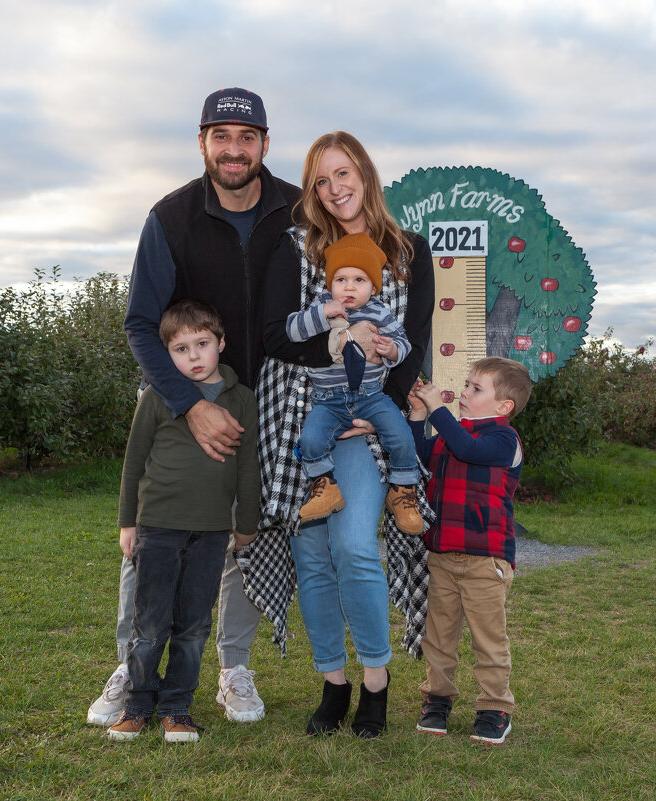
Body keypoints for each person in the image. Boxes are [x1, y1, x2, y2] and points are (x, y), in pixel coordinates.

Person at [88, 87, 306, 727]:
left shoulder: (301, 211)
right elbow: (138, 322)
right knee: (150, 539)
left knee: (248, 534)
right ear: (203, 142)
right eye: (221, 136)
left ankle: (234, 669)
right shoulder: (171, 216)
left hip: (272, 399)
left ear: (266, 143)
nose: (233, 149)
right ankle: (132, 672)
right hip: (180, 395)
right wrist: (189, 402)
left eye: (246, 137)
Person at [256, 131, 435, 737]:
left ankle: (377, 685)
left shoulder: (410, 250)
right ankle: (333, 682)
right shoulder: (296, 247)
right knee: (310, 552)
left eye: (343, 174)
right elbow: (275, 338)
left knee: (355, 546)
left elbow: (413, 340)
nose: (334, 189)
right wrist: (335, 360)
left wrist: (375, 399)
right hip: (302, 414)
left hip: (369, 422)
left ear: (365, 172)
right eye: (321, 180)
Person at [106, 300, 260, 743]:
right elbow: (133, 463)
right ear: (166, 355)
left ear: (221, 343)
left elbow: (248, 466)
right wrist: (127, 523)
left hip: (212, 531)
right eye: (180, 349)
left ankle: (177, 708)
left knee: (192, 626)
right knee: (150, 624)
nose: (193, 357)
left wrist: (245, 523)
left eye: (202, 344)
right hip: (156, 526)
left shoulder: (241, 399)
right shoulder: (158, 396)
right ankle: (137, 705)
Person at [408, 357, 532, 745]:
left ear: (503, 406)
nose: (464, 392)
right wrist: (416, 416)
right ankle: (437, 701)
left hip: (486, 559)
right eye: (466, 384)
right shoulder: (452, 434)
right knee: (438, 636)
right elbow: (418, 457)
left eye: (475, 388)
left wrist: (436, 409)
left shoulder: (503, 440)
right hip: (442, 554)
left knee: (488, 639)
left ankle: (495, 709)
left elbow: (467, 449)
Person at [286, 232, 423, 534]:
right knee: (310, 440)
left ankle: (402, 490)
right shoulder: (321, 305)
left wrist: (391, 351)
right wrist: (323, 314)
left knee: (400, 435)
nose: (348, 286)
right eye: (341, 279)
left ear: (374, 287)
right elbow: (292, 330)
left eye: (359, 280)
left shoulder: (378, 311)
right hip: (326, 399)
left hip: (371, 396)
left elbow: (404, 343)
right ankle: (324, 485)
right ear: (329, 284)